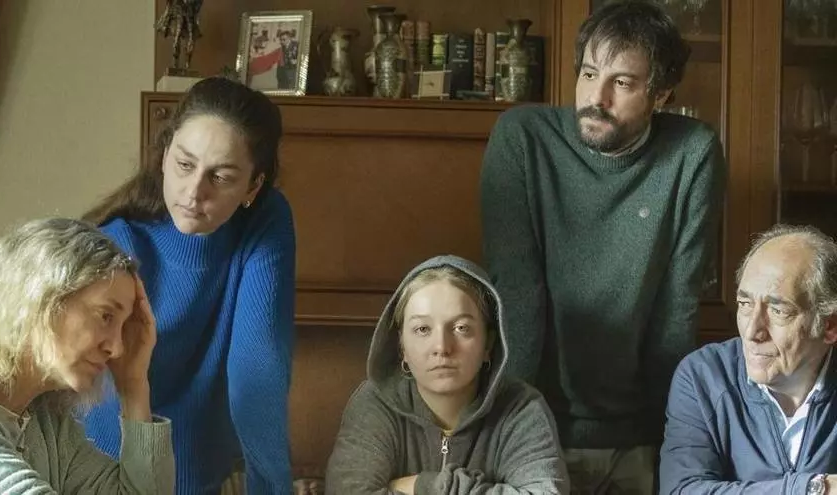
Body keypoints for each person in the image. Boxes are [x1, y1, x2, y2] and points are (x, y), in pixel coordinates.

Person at [479, 1, 726, 491]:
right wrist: (513, 432)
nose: (596, 97)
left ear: (661, 94)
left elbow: (676, 309)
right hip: (534, 429)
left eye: (623, 82)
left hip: (640, 434)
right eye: (589, 74)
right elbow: (517, 295)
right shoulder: (522, 138)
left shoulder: (693, 152)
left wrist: (668, 439)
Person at [82, 76, 296, 494]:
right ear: (165, 155)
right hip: (109, 470)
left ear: (253, 186)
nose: (194, 192)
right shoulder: (117, 242)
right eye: (185, 165)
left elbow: (260, 363)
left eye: (221, 177)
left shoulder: (265, 219)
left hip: (205, 473)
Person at [0, 217, 174, 493]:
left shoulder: (48, 425)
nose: (117, 348)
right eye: (106, 316)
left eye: (123, 327)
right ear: (41, 293)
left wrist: (133, 384)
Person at [326, 255, 569, 494]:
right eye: (423, 329)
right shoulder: (375, 403)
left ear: (488, 344)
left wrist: (428, 486)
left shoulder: (521, 409)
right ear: (402, 347)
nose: (442, 347)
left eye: (461, 328)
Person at [660, 224, 837, 494]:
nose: (752, 332)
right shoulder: (703, 376)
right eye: (745, 304)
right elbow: (682, 489)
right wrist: (813, 489)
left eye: (778, 311)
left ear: (829, 325)